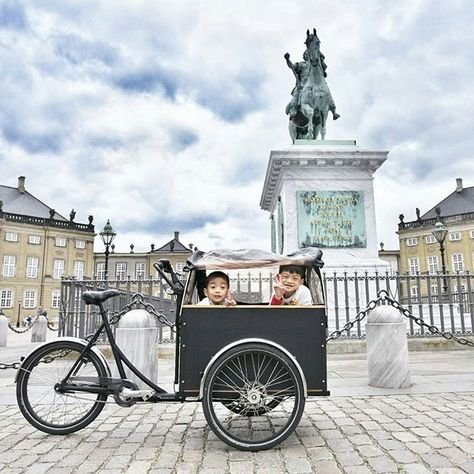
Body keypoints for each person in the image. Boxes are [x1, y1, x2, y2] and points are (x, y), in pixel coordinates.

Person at [284, 51, 340, 121]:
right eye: (307, 54)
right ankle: (293, 109)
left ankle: (333, 111)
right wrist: (287, 59)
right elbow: (292, 66)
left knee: (327, 92)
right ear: (305, 57)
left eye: (309, 54)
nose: (309, 55)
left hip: (317, 85)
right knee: (297, 92)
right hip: (303, 85)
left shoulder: (318, 65)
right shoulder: (302, 64)